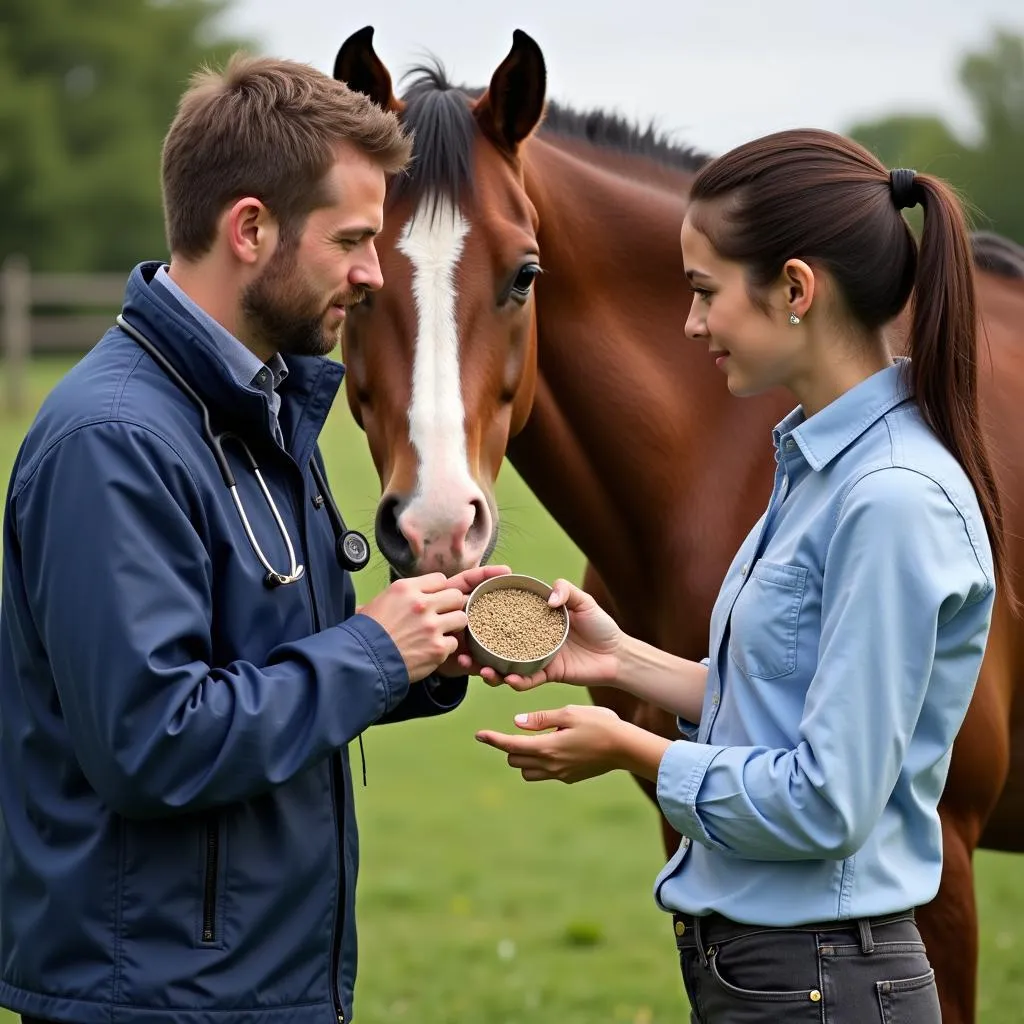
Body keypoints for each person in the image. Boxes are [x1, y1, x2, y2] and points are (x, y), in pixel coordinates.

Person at [0, 54, 508, 1024]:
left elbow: (266, 667)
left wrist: (434, 640)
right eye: (355, 240)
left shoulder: (261, 406)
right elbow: (154, 740)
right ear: (250, 229)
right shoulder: (115, 443)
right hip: (152, 1000)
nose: (371, 274)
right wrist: (372, 649)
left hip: (246, 987)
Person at [473, 128, 1007, 1023]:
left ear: (796, 290)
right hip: (779, 976)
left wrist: (632, 749)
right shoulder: (819, 468)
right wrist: (617, 662)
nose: (690, 325)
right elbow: (793, 697)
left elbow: (828, 803)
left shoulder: (890, 500)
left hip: (826, 984)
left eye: (703, 292)